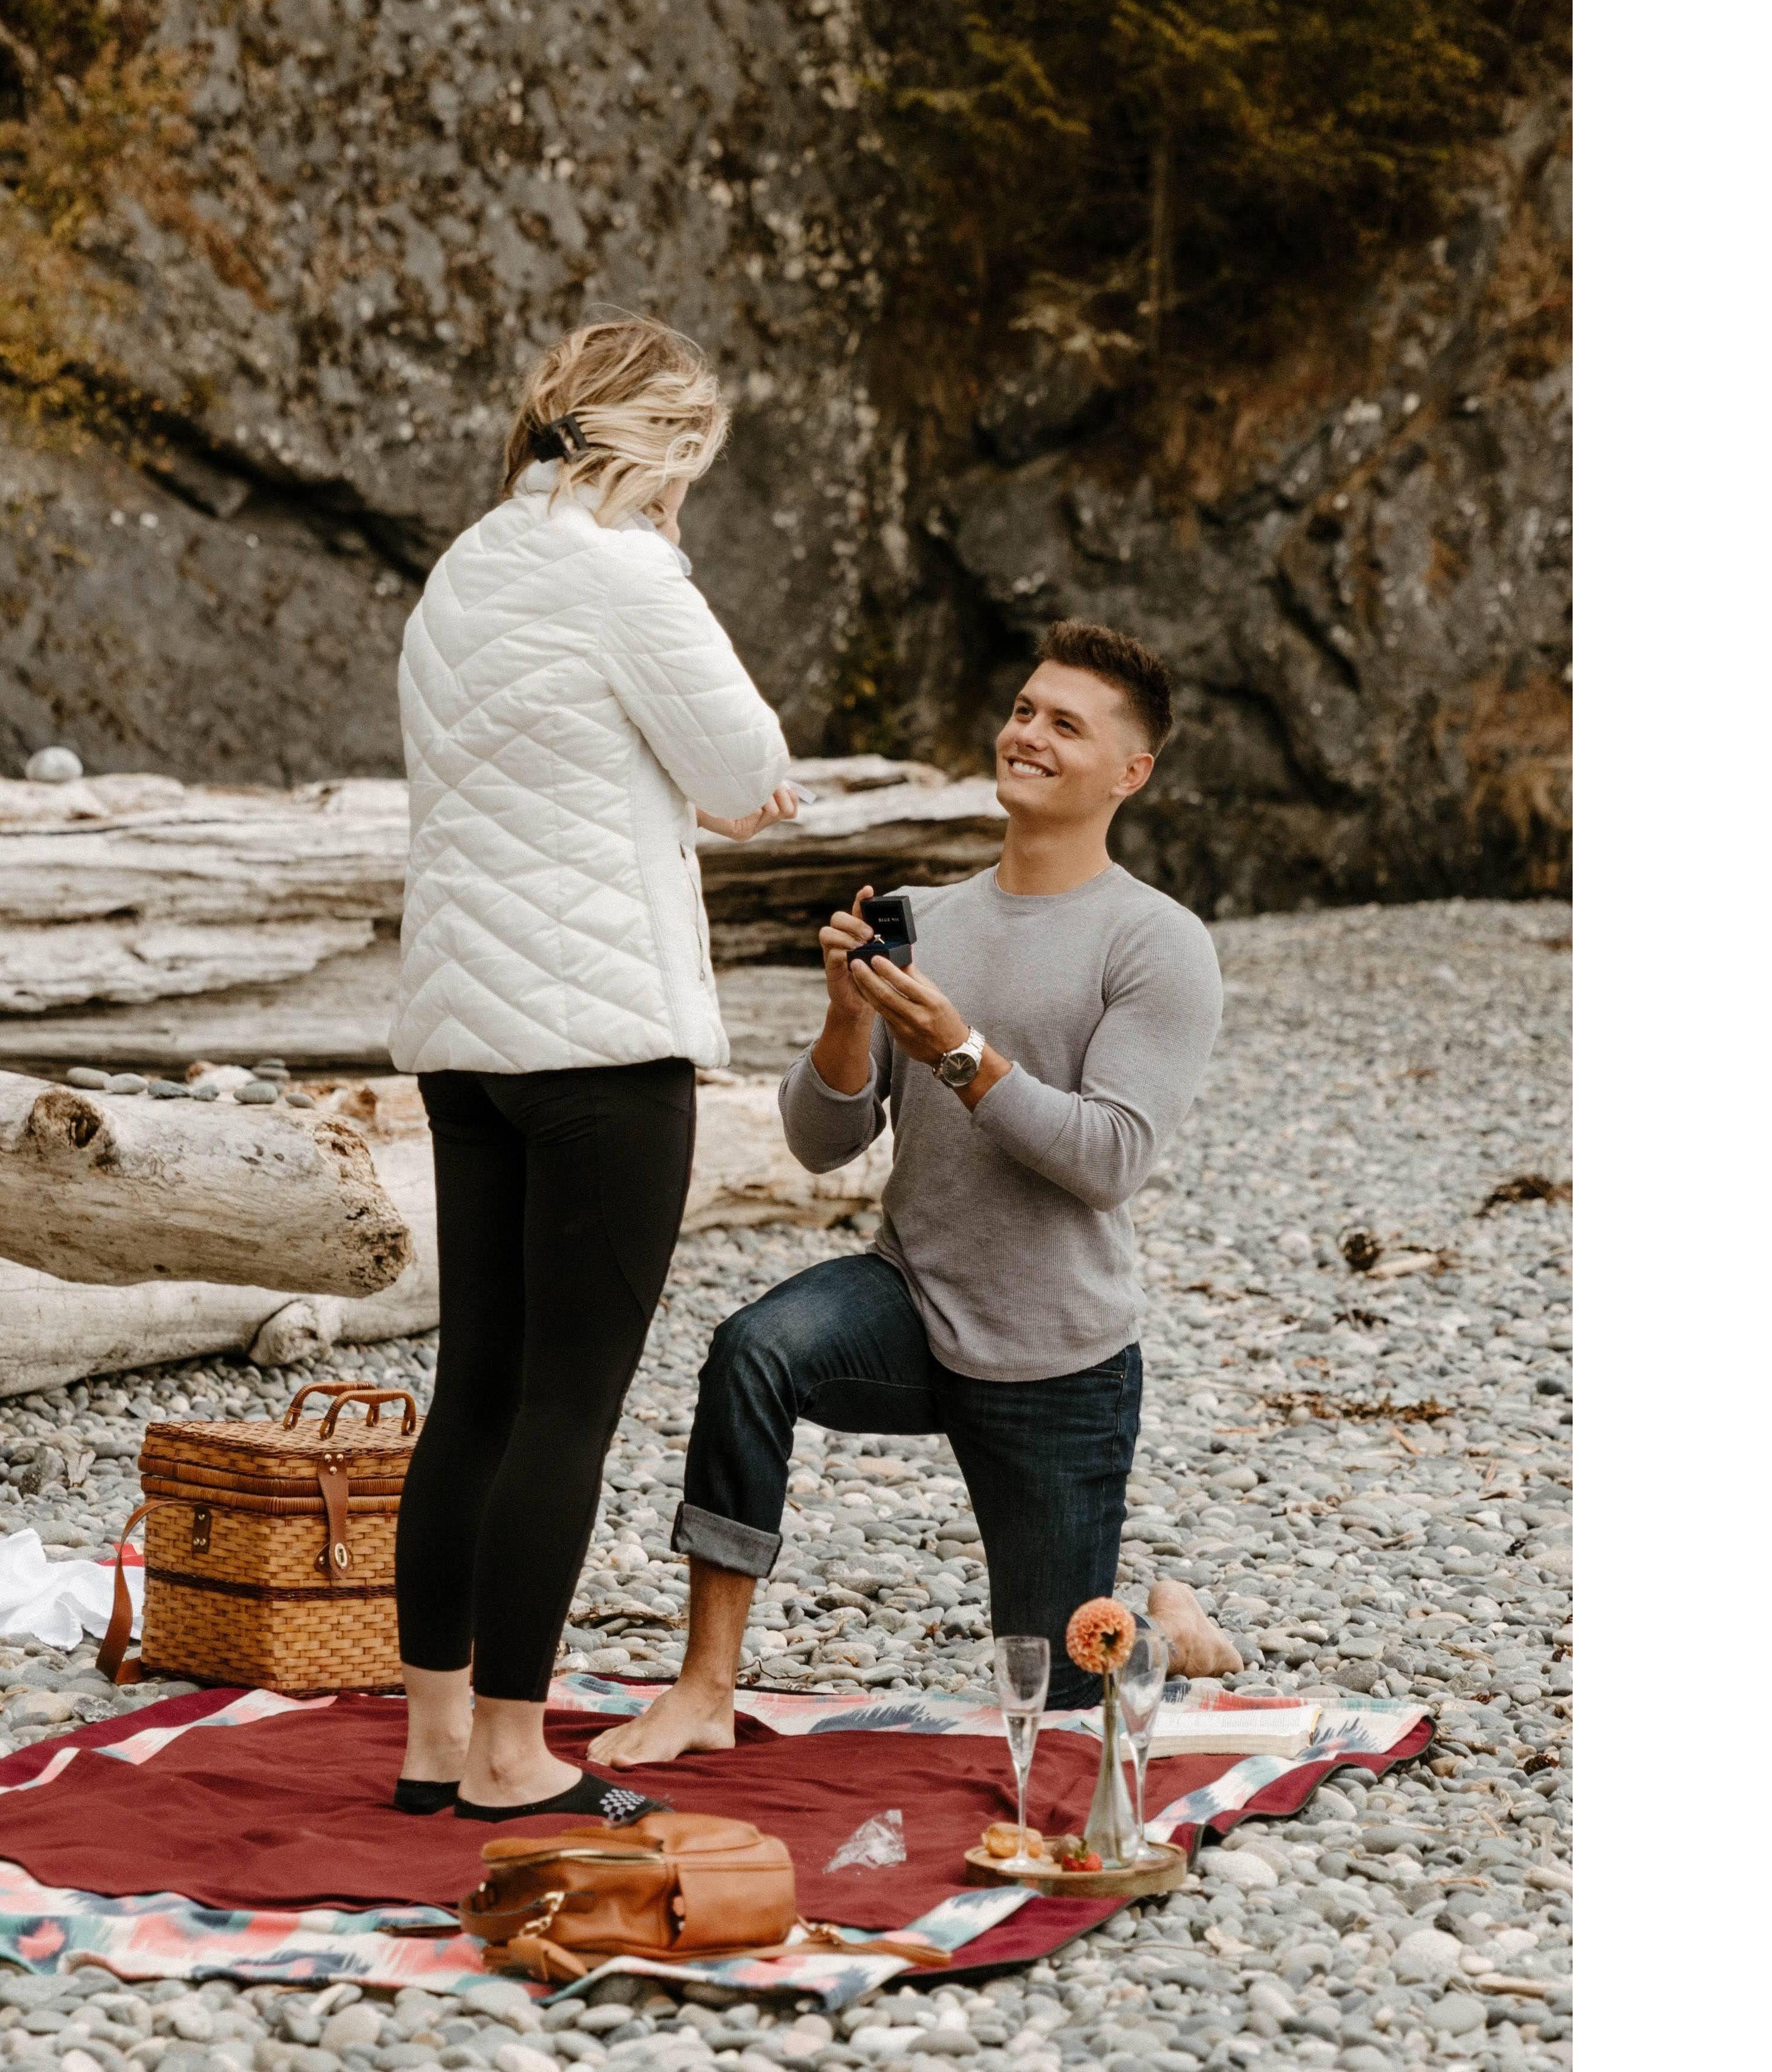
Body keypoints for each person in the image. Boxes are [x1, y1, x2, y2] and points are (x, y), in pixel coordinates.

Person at [590, 620, 1240, 1765]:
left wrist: (960, 1052)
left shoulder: (1158, 942)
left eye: (1065, 725)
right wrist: (847, 1017)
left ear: (1130, 775)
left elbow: (1109, 1158)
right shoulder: (927, 920)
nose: (1026, 734)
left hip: (1058, 1357)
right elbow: (819, 1144)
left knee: (1054, 1704)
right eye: (1025, 709)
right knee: (754, 1349)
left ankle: (1161, 1627)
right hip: (909, 1302)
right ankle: (702, 1686)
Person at [387, 315, 803, 1823]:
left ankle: (436, 1738)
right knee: (569, 1401)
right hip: (605, 1039)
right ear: (663, 441)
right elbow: (750, 773)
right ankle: (513, 1749)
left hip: (463, 1038)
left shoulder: (461, 572)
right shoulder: (626, 573)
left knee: (475, 1391)